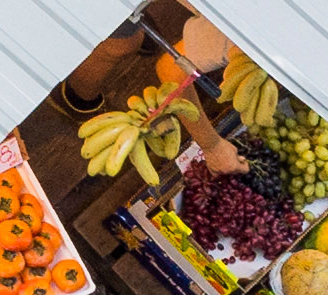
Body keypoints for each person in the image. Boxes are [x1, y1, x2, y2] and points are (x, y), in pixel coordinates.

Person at [54, 2, 249, 176]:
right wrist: (212, 145)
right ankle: (75, 97)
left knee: (131, 31)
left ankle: (136, 22)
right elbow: (172, 72)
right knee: (122, 44)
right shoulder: (246, 31)